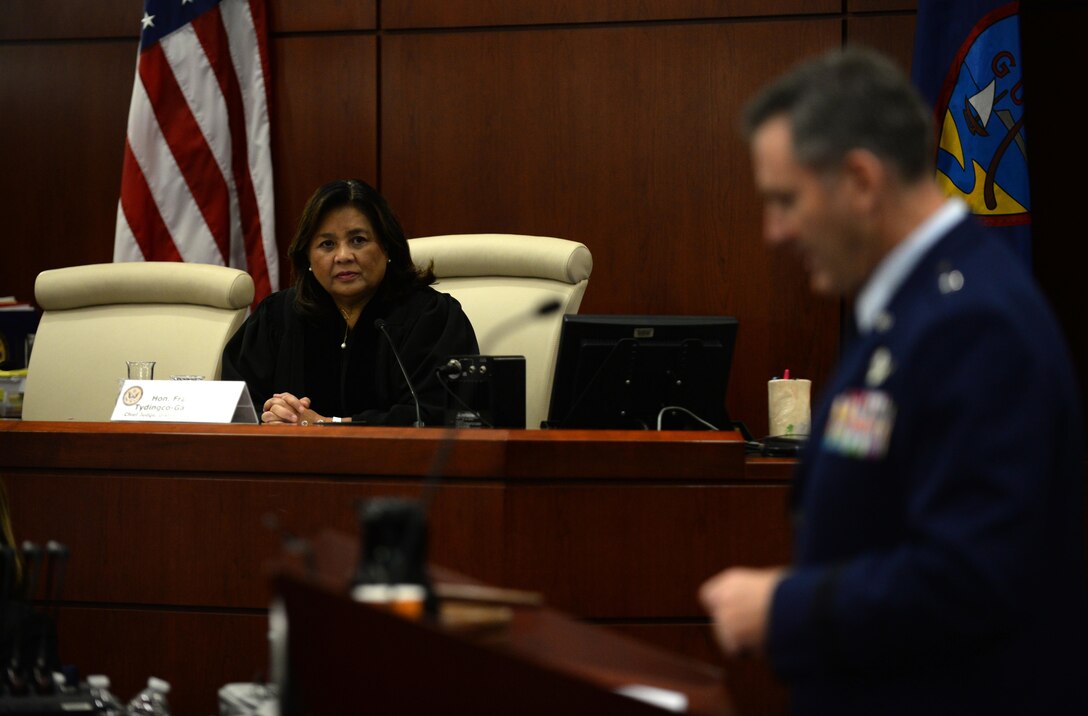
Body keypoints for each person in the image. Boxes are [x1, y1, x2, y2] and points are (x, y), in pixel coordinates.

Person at [699, 48, 1087, 714]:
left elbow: (970, 580)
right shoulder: (914, 307)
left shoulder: (972, 323)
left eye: (786, 200)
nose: (774, 232)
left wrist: (783, 609)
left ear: (861, 181)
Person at [222, 179, 478, 426]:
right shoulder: (277, 316)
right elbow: (234, 405)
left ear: (387, 247)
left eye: (358, 240)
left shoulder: (431, 317)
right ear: (308, 257)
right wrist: (272, 417)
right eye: (327, 244)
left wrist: (327, 424)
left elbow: (443, 414)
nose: (343, 256)